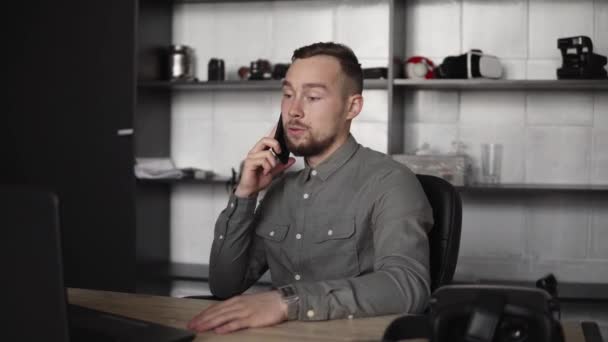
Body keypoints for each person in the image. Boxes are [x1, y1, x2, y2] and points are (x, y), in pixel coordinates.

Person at [187, 42, 433, 334]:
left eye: (313, 96)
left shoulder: (390, 182)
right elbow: (225, 285)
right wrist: (245, 194)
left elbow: (407, 286)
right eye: (288, 94)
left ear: (352, 107)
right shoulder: (280, 188)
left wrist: (287, 303)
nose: (294, 111)